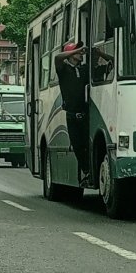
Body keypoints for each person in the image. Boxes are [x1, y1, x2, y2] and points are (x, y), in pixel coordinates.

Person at [54, 41, 91, 185]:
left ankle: (88, 172)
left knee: (88, 145)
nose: (80, 53)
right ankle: (85, 171)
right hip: (72, 115)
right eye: (76, 51)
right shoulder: (64, 69)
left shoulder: (84, 70)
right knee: (77, 146)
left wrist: (95, 53)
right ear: (70, 54)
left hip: (85, 115)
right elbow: (58, 57)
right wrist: (77, 50)